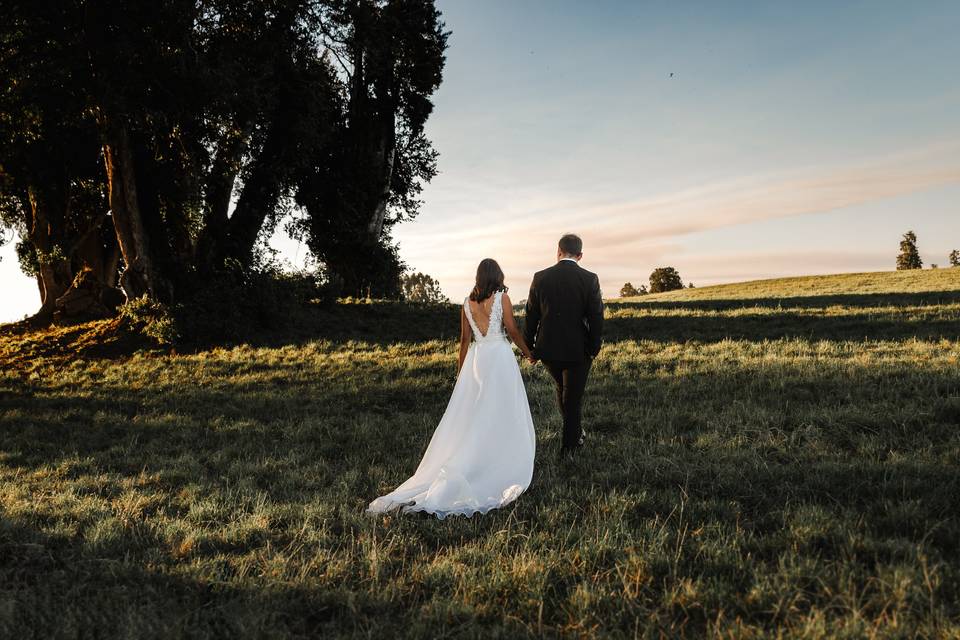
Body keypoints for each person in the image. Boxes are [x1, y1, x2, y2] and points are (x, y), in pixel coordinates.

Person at [367, 259, 537, 518]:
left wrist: (462, 373)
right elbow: (512, 330)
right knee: (502, 408)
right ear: (497, 276)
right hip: (500, 359)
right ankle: (496, 457)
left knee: (476, 412)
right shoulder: (502, 297)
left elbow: (464, 340)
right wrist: (528, 353)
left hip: (477, 362)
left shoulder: (467, 304)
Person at [524, 233, 604, 458]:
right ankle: (570, 447)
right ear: (580, 255)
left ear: (558, 251)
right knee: (572, 397)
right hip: (578, 349)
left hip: (548, 349)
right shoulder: (589, 279)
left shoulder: (540, 277)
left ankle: (575, 432)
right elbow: (597, 316)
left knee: (564, 390)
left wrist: (529, 347)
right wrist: (594, 347)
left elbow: (532, 315)